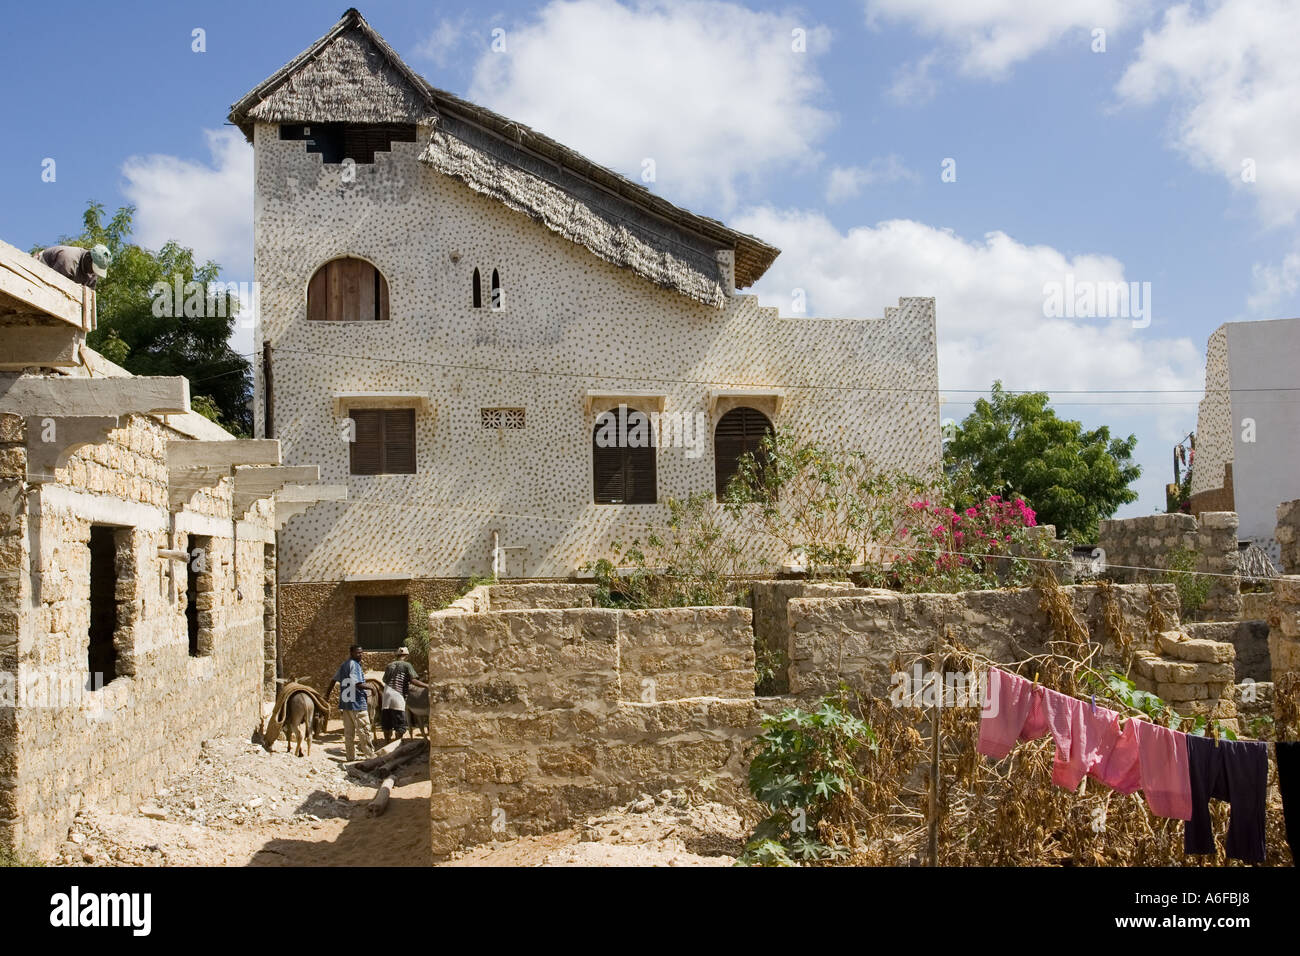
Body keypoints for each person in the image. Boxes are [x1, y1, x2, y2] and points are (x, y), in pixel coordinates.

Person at [325, 644, 375, 760]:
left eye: (361, 652)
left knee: (348, 733)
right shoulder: (354, 665)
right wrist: (371, 687)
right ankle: (371, 756)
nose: (361, 655)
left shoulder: (344, 665)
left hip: (346, 704)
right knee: (364, 730)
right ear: (351, 653)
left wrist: (327, 695)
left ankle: (350, 756)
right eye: (358, 653)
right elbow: (357, 683)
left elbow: (333, 680)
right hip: (357, 703)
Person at [379, 647, 427, 743]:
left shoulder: (389, 665)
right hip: (398, 694)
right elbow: (413, 680)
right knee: (400, 723)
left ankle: (387, 742)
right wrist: (427, 685)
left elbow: (384, 680)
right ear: (406, 656)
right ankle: (397, 743)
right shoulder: (407, 665)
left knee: (386, 721)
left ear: (397, 655)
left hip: (386, 695)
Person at [34, 244, 111, 288]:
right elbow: (53, 286)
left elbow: (88, 296)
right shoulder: (68, 261)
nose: (93, 272)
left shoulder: (93, 273)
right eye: (93, 268)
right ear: (88, 258)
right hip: (43, 268)